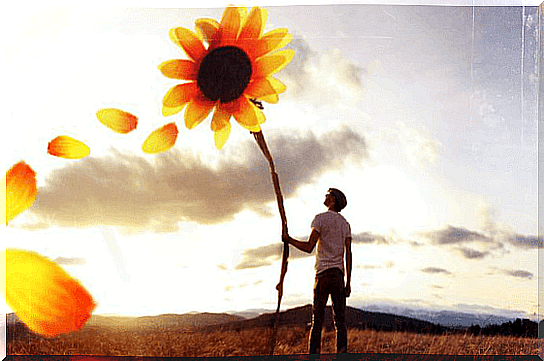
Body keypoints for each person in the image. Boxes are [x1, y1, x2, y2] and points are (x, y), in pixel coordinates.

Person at [282, 188, 352, 354]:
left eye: (327, 194)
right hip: (338, 276)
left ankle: (314, 355)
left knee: (317, 321)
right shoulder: (345, 224)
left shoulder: (320, 219)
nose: (325, 196)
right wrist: (348, 282)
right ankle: (341, 356)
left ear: (333, 199)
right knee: (340, 323)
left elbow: (309, 247)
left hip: (322, 275)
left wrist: (288, 239)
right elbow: (348, 254)